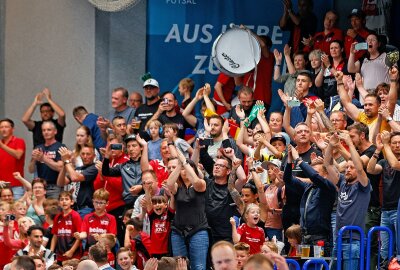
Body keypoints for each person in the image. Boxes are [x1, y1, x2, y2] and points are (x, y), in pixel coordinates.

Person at [325, 132, 371, 270]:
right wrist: (330, 145)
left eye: (351, 167)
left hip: (354, 241)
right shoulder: (342, 183)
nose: (348, 170)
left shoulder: (363, 185)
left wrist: (349, 143)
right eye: (346, 168)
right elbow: (327, 164)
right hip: (339, 238)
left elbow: (359, 167)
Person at [284, 145, 336, 256]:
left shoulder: (328, 187)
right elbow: (288, 179)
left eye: (315, 171)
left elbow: (314, 177)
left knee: (320, 268)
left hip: (321, 239)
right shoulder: (308, 187)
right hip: (305, 238)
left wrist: (298, 159)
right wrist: (289, 161)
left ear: (326, 174)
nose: (311, 175)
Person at [166, 145, 209, 270]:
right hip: (178, 231)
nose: (185, 171)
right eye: (183, 169)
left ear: (193, 170)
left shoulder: (201, 184)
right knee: (179, 266)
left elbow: (195, 182)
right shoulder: (177, 186)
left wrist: (185, 162)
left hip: (198, 230)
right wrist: (179, 165)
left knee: (198, 267)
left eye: (188, 169)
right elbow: (169, 184)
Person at [367, 131, 400, 262]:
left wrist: (385, 144)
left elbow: (395, 165)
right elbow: (370, 169)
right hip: (385, 210)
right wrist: (378, 149)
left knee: (399, 248)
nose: (397, 145)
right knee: (384, 250)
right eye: (394, 143)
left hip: (398, 211)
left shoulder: (393, 162)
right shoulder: (383, 161)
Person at [94, 135, 128, 245]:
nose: (111, 149)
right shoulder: (106, 160)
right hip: (105, 208)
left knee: (119, 241)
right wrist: (101, 174)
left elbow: (122, 186)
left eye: (114, 146)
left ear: (122, 147)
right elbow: (96, 186)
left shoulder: (125, 161)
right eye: (109, 147)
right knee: (106, 242)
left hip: (118, 207)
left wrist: (106, 175)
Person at [234, 32, 274, 109]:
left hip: (260, 99)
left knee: (256, 121)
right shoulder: (248, 60)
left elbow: (263, 45)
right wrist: (235, 68)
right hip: (246, 100)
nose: (256, 46)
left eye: (257, 43)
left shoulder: (268, 58)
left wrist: (248, 32)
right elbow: (238, 83)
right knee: (244, 121)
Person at [57, 145, 98, 218]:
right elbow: (60, 183)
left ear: (94, 156)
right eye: (83, 154)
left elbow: (75, 178)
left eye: (88, 154)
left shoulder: (95, 167)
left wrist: (67, 161)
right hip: (74, 208)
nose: (85, 156)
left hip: (87, 209)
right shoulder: (78, 168)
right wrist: (64, 164)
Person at [102, 134, 143, 207]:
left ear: (141, 147)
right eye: (128, 146)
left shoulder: (148, 164)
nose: (131, 149)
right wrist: (107, 156)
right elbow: (106, 172)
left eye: (134, 146)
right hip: (128, 203)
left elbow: (154, 183)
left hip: (143, 202)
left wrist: (142, 187)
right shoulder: (122, 166)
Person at [347, 32, 390, 100]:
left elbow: (395, 73)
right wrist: (352, 53)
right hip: (366, 99)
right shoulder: (363, 59)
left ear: (378, 44)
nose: (370, 41)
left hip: (383, 97)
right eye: (368, 40)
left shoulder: (386, 56)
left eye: (373, 40)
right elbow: (350, 69)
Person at [28, 121, 65, 199]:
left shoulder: (60, 147)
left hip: (55, 186)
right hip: (41, 186)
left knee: (54, 210)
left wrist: (43, 158)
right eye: (43, 130)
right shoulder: (38, 147)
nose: (46, 132)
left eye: (49, 130)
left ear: (55, 131)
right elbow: (31, 170)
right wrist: (34, 159)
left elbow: (60, 168)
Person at [75, 189, 117, 254]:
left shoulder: (111, 218)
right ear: (93, 202)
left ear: (107, 203)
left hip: (105, 251)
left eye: (101, 203)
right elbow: (84, 233)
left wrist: (101, 237)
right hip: (90, 249)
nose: (98, 205)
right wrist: (79, 235)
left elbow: (112, 236)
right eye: (96, 202)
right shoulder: (87, 217)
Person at [50, 191, 82, 263]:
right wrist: (51, 252)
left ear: (72, 202)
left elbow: (79, 237)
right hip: (60, 255)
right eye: (61, 199)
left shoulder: (75, 216)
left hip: (74, 255)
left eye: (66, 199)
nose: (64, 201)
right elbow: (55, 236)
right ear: (59, 203)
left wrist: (71, 251)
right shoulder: (57, 217)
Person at [0, 118, 26, 200]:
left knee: (16, 210)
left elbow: (18, 155)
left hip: (16, 185)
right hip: (1, 184)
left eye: (6, 127)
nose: (3, 129)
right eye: (1, 127)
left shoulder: (19, 141)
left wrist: (2, 146)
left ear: (13, 129)